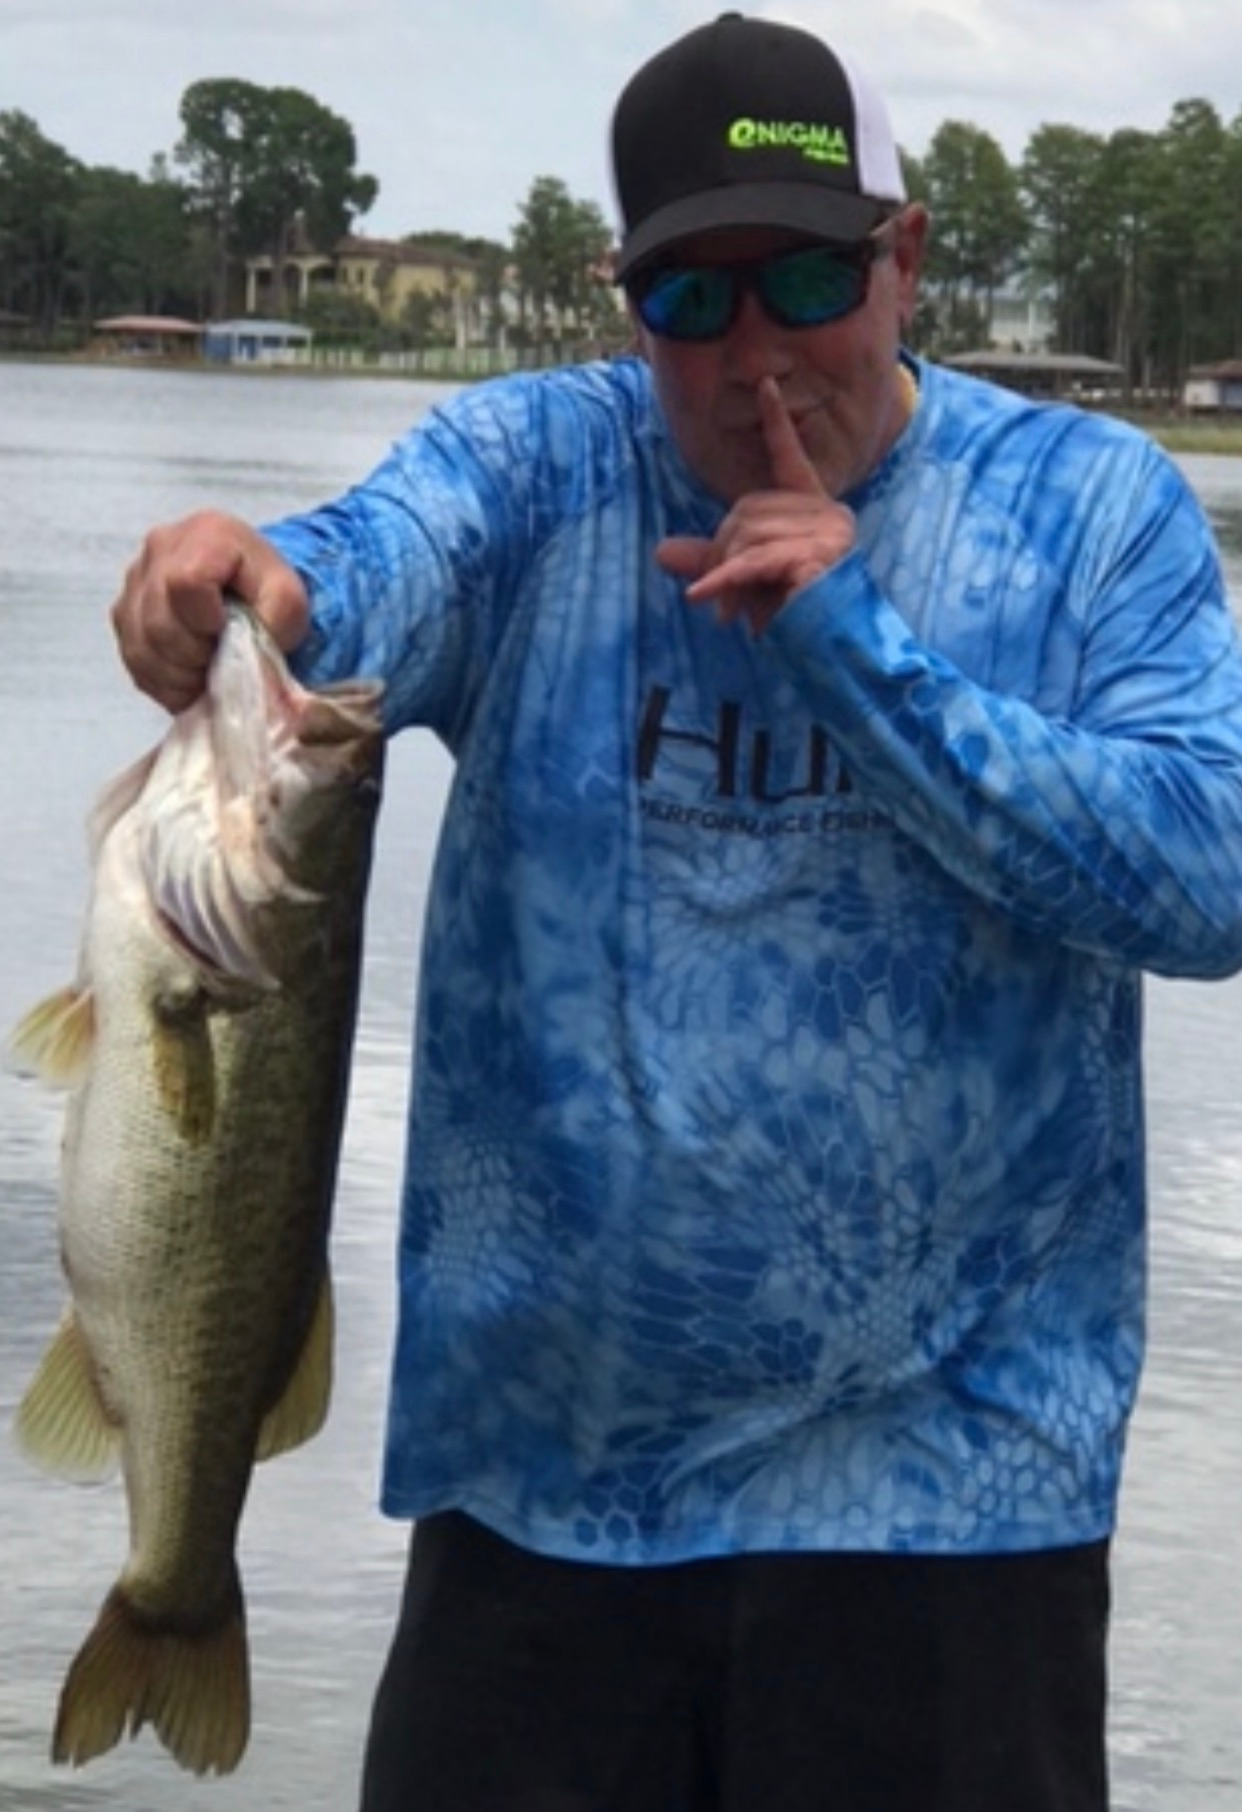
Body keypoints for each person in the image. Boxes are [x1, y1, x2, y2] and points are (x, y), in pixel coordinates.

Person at [110, 13, 1242, 1811]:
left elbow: (1208, 878)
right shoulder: (545, 469)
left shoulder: (1087, 510)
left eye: (805, 277)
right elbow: (377, 561)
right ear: (625, 300)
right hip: (544, 1504)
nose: (753, 350)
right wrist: (261, 588)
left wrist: (859, 654)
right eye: (689, 301)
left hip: (949, 1502)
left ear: (905, 256)